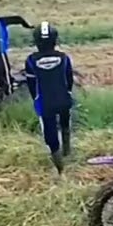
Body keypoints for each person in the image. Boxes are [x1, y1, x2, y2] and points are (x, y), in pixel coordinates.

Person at [23, 21, 74, 174]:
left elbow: (31, 84)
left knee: (50, 132)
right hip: (64, 98)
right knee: (65, 123)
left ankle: (60, 167)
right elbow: (69, 79)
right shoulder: (64, 58)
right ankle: (67, 150)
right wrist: (68, 93)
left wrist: (35, 99)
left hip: (45, 103)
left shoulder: (31, 60)